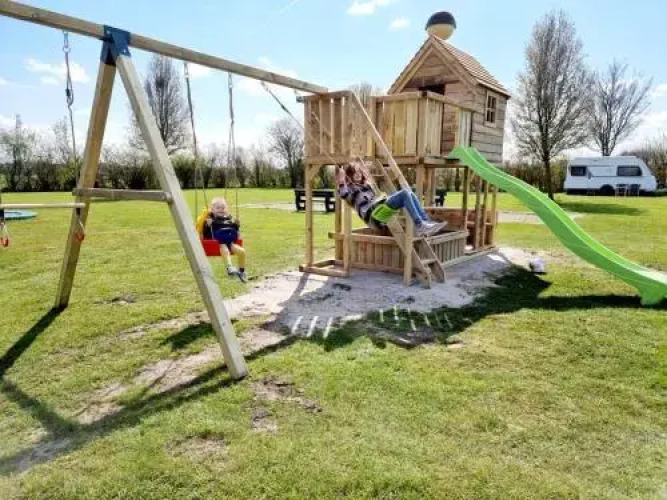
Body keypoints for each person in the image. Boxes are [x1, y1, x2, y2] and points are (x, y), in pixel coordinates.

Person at [337, 162, 446, 236]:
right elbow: (343, 194)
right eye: (354, 172)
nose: (358, 174)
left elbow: (368, 180)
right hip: (372, 216)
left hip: (378, 210)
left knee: (409, 193)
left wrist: (363, 170)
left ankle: (425, 222)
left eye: (359, 172)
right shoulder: (350, 190)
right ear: (348, 176)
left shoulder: (366, 186)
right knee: (404, 193)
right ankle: (420, 225)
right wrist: (341, 179)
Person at [198, 197, 247, 283]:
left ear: (226, 209)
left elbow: (234, 231)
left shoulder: (228, 220)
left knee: (242, 251)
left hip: (230, 242)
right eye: (218, 208)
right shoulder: (211, 220)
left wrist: (236, 225)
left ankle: (241, 271)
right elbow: (206, 234)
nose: (221, 210)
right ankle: (229, 267)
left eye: (223, 208)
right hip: (218, 243)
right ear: (212, 210)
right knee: (225, 248)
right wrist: (208, 225)